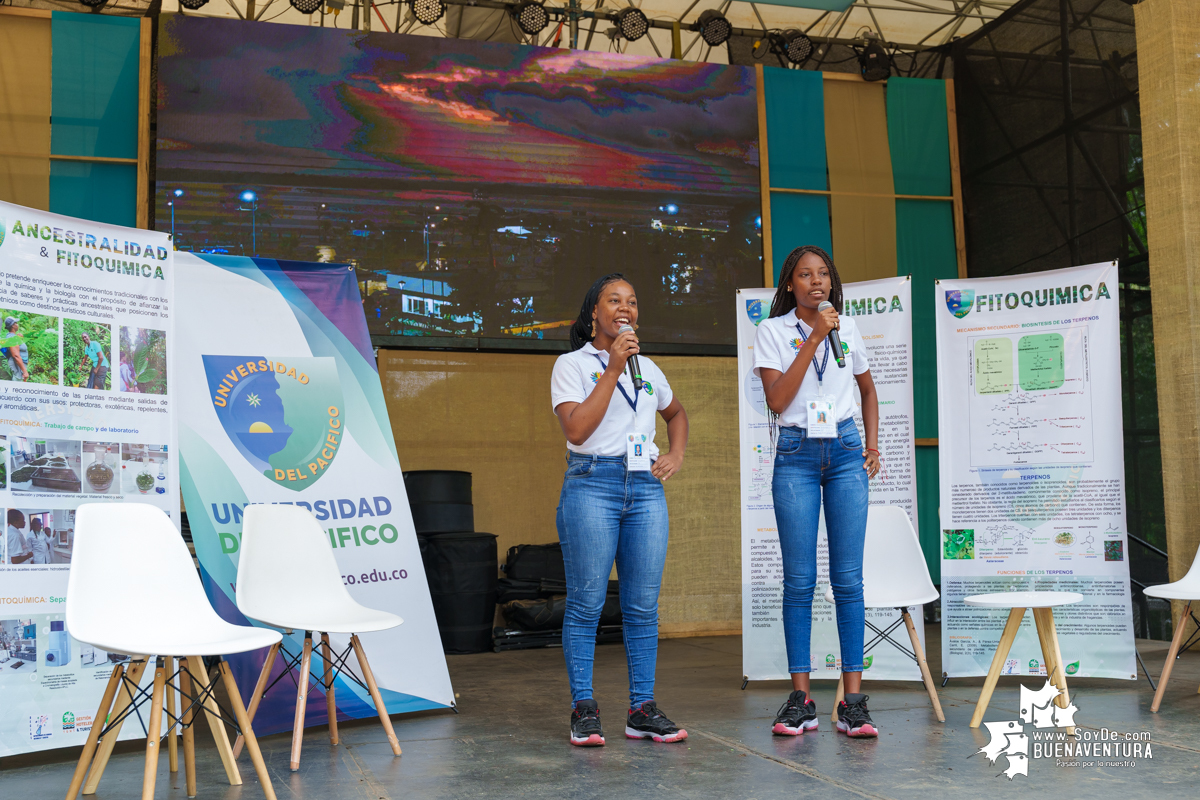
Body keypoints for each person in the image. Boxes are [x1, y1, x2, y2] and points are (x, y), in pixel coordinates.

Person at [551, 273, 689, 747]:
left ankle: (641, 708)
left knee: (642, 606)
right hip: (593, 483)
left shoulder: (648, 368)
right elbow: (576, 431)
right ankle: (584, 707)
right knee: (587, 603)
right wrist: (611, 367)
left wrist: (675, 454)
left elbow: (676, 413)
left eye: (632, 300)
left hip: (646, 488)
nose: (625, 307)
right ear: (595, 312)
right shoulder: (571, 365)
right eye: (614, 300)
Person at [753, 246, 882, 739]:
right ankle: (801, 700)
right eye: (805, 275)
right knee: (799, 580)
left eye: (824, 273)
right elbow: (778, 398)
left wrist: (871, 445)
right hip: (797, 455)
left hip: (846, 451)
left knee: (848, 579)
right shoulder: (774, 332)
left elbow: (867, 389)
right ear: (790, 285)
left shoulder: (847, 327)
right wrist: (814, 336)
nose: (817, 282)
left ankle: (852, 702)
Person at [4, 316, 29, 382]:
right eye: (16, 323)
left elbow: (18, 347)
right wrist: (25, 371)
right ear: (13, 325)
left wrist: (19, 338)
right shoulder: (12, 338)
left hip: (19, 365)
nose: (17, 324)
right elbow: (16, 356)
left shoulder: (13, 337)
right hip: (17, 365)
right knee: (18, 382)